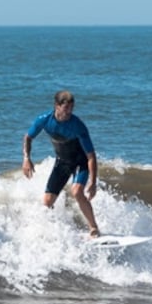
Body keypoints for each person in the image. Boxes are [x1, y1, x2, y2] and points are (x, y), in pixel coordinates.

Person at [22, 90, 100, 237]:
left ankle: (93, 227)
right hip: (62, 162)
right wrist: (27, 158)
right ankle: (55, 229)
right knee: (47, 202)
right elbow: (28, 137)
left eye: (72, 108)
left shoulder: (78, 125)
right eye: (66, 108)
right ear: (56, 106)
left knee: (77, 191)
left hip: (80, 161)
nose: (69, 111)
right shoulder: (44, 120)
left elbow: (91, 156)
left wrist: (93, 182)